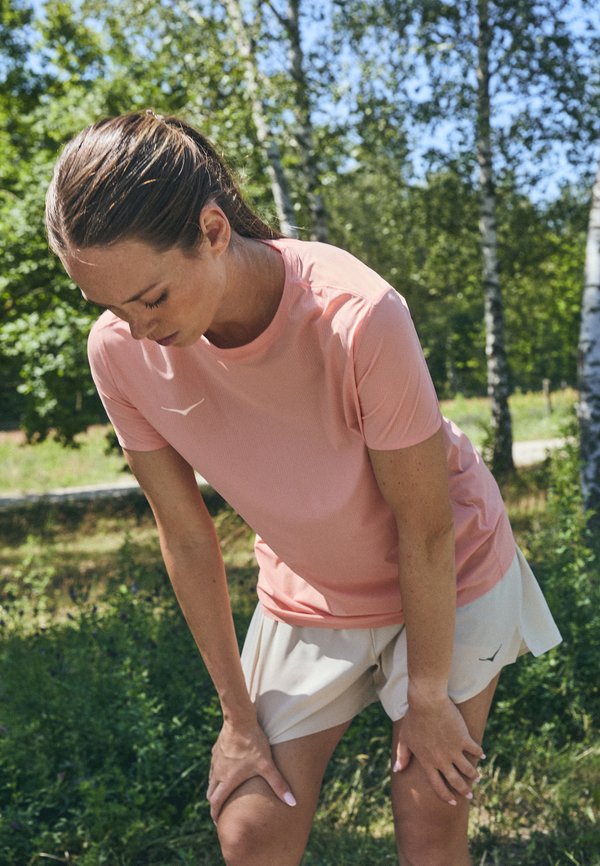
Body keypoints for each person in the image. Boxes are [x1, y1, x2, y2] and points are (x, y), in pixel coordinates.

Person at [45, 110, 562, 866]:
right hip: (313, 590)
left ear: (213, 231)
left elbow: (425, 528)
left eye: (151, 298)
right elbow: (186, 537)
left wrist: (425, 698)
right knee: (249, 828)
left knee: (429, 809)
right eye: (111, 306)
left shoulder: (358, 315)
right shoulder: (119, 351)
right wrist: (236, 716)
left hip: (448, 571)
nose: (135, 325)